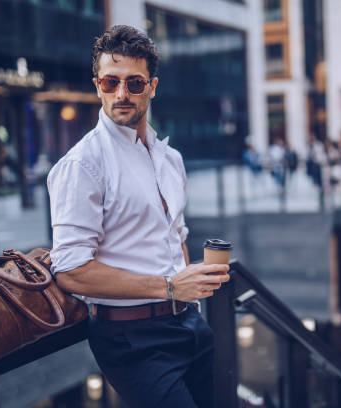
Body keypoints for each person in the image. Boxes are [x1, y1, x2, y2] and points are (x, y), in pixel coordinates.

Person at [47, 25, 230, 408]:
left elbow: (176, 233)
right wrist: (169, 286)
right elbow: (70, 270)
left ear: (152, 86)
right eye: (111, 82)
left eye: (134, 83)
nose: (121, 94)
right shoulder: (83, 165)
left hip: (189, 324)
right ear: (97, 84)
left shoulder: (170, 158)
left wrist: (185, 293)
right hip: (131, 339)